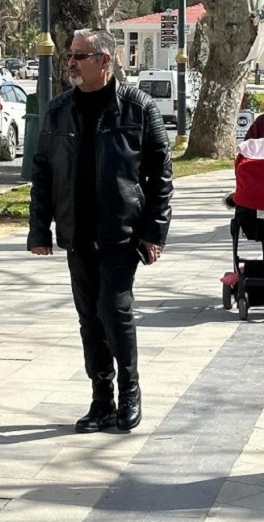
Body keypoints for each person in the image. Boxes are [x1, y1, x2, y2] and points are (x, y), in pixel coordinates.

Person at [28, 29, 173, 434]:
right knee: (89, 317)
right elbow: (42, 172)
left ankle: (130, 390)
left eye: (79, 55)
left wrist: (154, 233)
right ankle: (100, 398)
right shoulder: (58, 110)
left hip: (121, 232)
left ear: (105, 60)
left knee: (115, 308)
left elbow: (160, 176)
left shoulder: (139, 108)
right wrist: (39, 229)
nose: (70, 62)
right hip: (77, 232)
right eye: (70, 55)